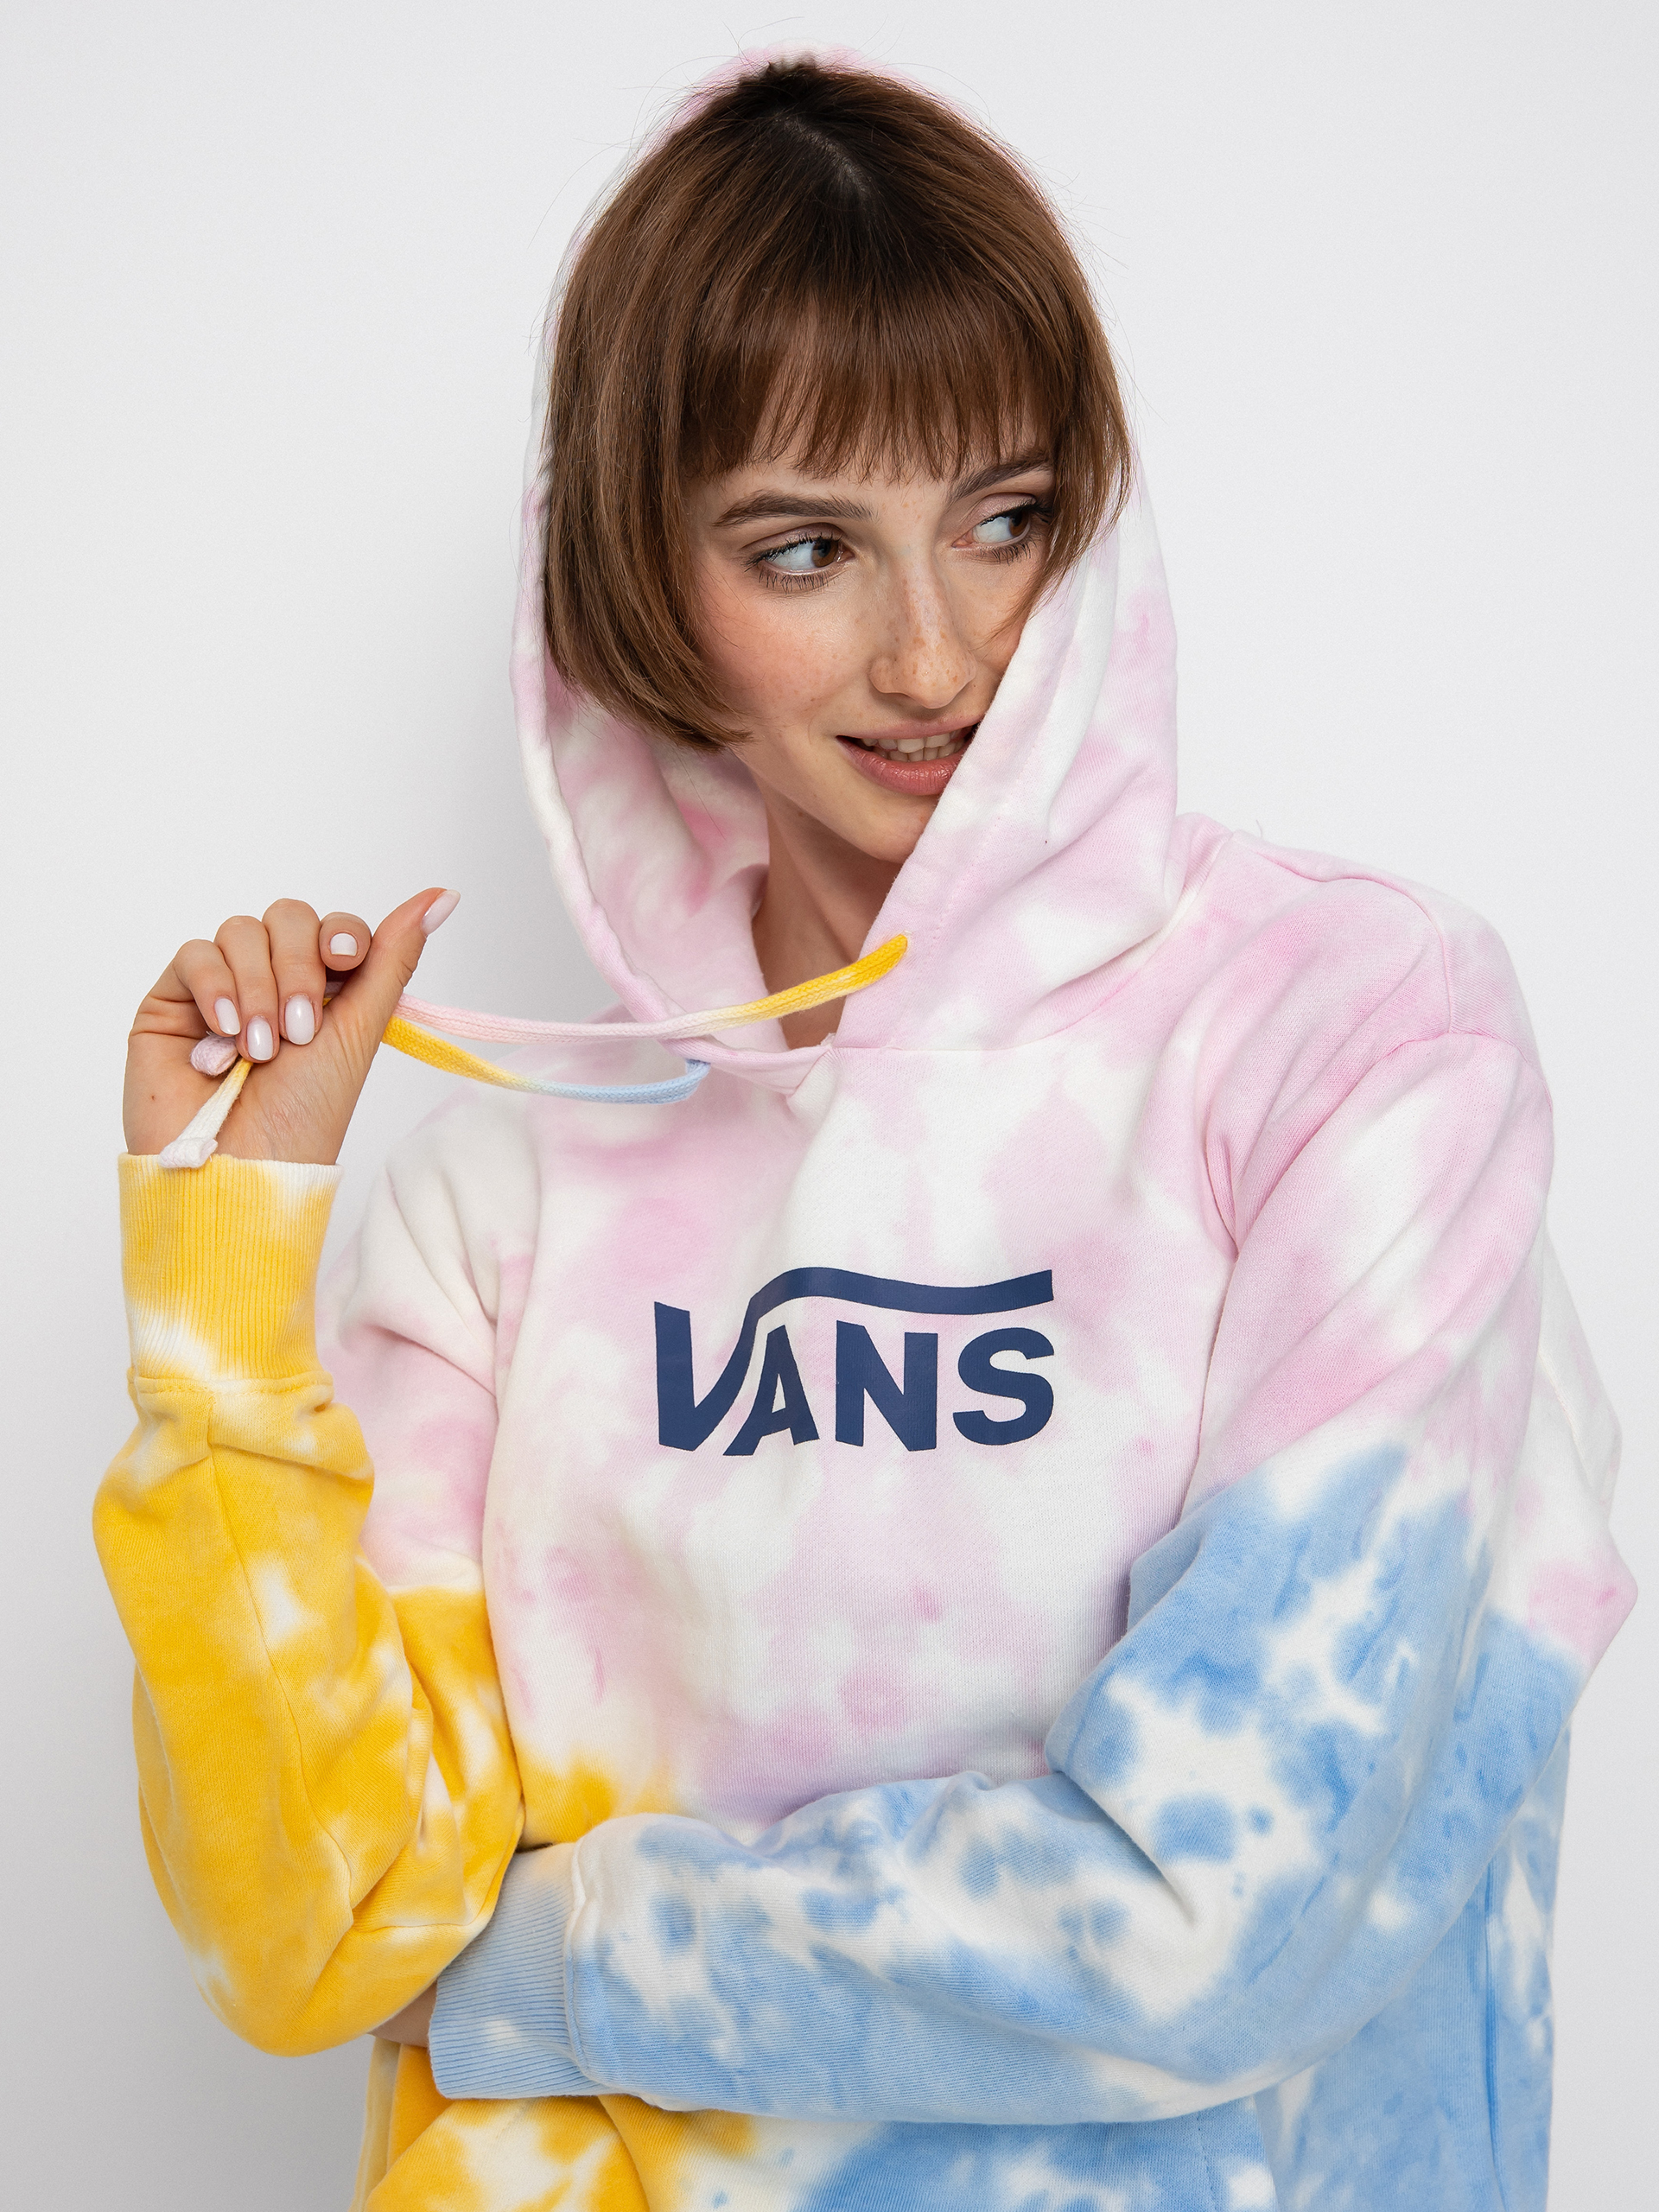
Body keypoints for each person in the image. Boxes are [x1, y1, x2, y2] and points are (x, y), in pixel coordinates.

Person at [97, 52, 1633, 2212]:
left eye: (1005, 519)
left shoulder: (1352, 1040)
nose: (936, 652)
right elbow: (322, 1930)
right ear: (648, 584)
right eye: (806, 547)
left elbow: (1214, 1911)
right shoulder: (507, 1178)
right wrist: (223, 1273)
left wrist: (548, 1961)